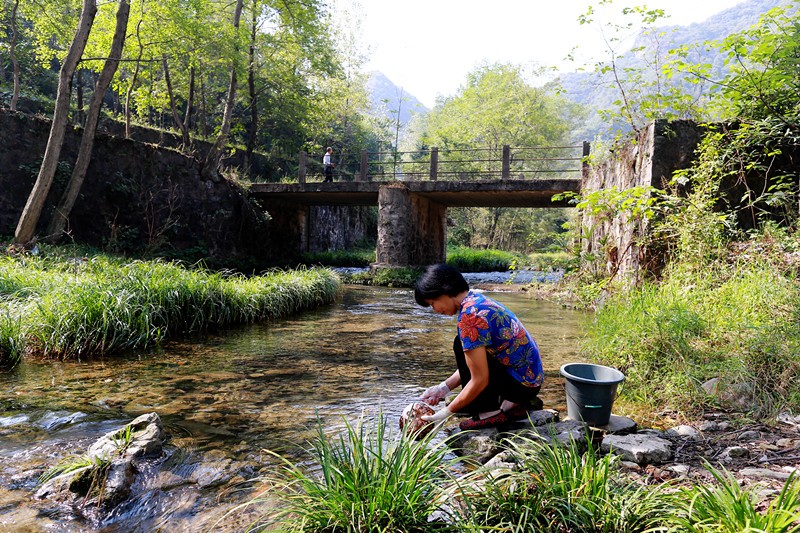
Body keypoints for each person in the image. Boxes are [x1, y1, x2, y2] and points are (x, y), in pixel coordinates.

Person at [415, 264, 543, 430]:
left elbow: (479, 379)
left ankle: (489, 412)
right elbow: (475, 362)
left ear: (443, 291)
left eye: (433, 303)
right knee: (460, 342)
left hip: (520, 386)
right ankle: (510, 405)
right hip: (530, 382)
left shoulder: (469, 318)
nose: (435, 310)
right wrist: (442, 389)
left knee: (459, 343)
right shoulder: (477, 301)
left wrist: (444, 414)